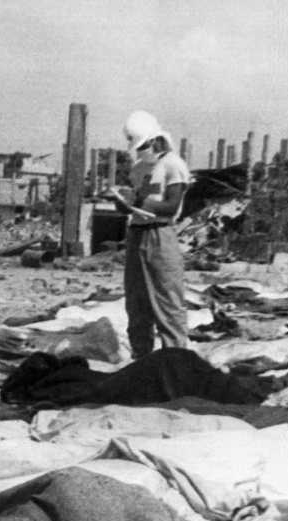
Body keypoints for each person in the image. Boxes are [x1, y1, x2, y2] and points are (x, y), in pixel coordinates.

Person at [105, 110, 191, 359]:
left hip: (161, 235)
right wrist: (122, 203)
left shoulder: (173, 164)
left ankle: (174, 360)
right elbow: (132, 204)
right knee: (137, 301)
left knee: (168, 300)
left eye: (143, 145)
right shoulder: (138, 168)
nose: (141, 151)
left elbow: (172, 206)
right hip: (137, 234)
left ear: (155, 140)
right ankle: (141, 358)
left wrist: (142, 203)